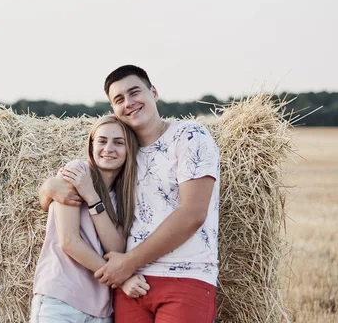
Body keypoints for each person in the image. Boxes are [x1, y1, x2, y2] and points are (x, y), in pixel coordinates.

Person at [40, 65, 220, 323]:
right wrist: (47, 188)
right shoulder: (123, 158)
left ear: (154, 92)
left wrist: (126, 265)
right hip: (131, 288)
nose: (129, 103)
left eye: (134, 92)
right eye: (119, 99)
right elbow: (76, 203)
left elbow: (193, 213)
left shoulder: (189, 136)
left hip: (184, 275)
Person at [31, 115, 151, 323]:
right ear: (91, 145)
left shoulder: (124, 195)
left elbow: (116, 247)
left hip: (100, 310)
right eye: (102, 141)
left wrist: (92, 197)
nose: (109, 148)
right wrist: (121, 279)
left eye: (119, 142)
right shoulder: (77, 172)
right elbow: (70, 242)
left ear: (129, 149)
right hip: (61, 301)